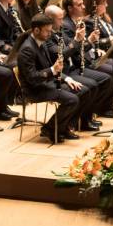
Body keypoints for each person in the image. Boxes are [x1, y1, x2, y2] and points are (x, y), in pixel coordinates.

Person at [17, 13, 88, 142]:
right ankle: (50, 129)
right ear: (36, 30)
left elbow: (53, 66)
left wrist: (66, 78)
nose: (50, 34)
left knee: (82, 91)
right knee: (72, 99)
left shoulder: (41, 42)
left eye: (50, 31)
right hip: (34, 89)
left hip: (46, 82)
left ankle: (64, 127)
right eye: (47, 31)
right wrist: (52, 70)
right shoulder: (27, 49)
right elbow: (32, 78)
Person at [44, 5, 110, 131]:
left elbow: (76, 49)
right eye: (59, 19)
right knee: (91, 86)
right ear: (49, 19)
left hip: (73, 68)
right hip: (62, 73)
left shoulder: (60, 30)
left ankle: (83, 119)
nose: (62, 21)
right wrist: (76, 40)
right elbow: (61, 55)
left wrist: (88, 40)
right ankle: (73, 122)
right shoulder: (47, 37)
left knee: (102, 80)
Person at [60, 0, 113, 117]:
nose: (83, 7)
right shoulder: (66, 26)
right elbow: (75, 50)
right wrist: (89, 41)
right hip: (78, 64)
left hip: (86, 59)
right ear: (69, 8)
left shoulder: (77, 21)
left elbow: (82, 47)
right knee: (108, 76)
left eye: (83, 3)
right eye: (79, 5)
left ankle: (107, 105)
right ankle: (99, 108)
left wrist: (92, 45)